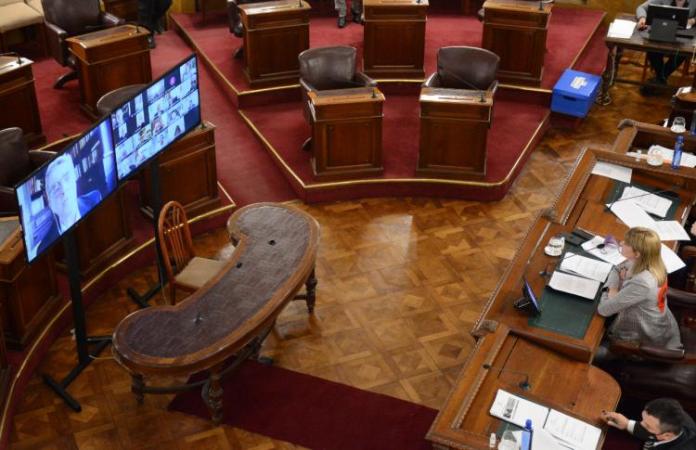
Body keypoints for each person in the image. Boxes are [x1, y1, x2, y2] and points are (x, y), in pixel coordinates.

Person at [597, 227, 682, 349]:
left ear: (637, 253)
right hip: (659, 323)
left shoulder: (643, 281)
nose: (621, 243)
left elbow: (603, 310)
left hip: (641, 338)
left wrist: (611, 289)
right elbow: (616, 268)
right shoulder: (650, 261)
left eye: (626, 243)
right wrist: (616, 285)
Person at [35, 154, 102, 256]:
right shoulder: (44, 248)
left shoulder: (95, 198)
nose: (64, 190)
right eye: (55, 188)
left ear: (74, 181)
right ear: (50, 203)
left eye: (67, 178)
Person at [636, 0, 696, 95]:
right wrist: (642, 18)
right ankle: (661, 78)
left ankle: (659, 79)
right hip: (661, 33)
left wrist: (693, 20)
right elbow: (641, 8)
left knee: (683, 51)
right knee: (652, 46)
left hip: (682, 38)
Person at [601, 398, 696, 449]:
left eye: (647, 426)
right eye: (643, 418)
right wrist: (626, 423)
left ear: (667, 435)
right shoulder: (673, 416)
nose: (641, 424)